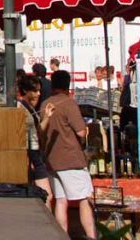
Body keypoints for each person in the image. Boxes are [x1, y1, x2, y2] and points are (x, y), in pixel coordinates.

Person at [41, 70, 96, 239]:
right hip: (71, 159)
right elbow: (80, 132)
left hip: (52, 159)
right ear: (68, 85)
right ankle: (91, 236)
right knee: (84, 199)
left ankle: (62, 236)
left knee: (61, 200)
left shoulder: (45, 104)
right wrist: (87, 130)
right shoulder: (68, 103)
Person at [18, 75, 54, 210]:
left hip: (35, 154)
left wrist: (47, 116)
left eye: (39, 90)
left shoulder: (30, 108)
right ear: (25, 91)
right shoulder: (20, 107)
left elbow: (38, 131)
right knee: (46, 196)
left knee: (46, 195)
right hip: (30, 155)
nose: (38, 94)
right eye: (35, 91)